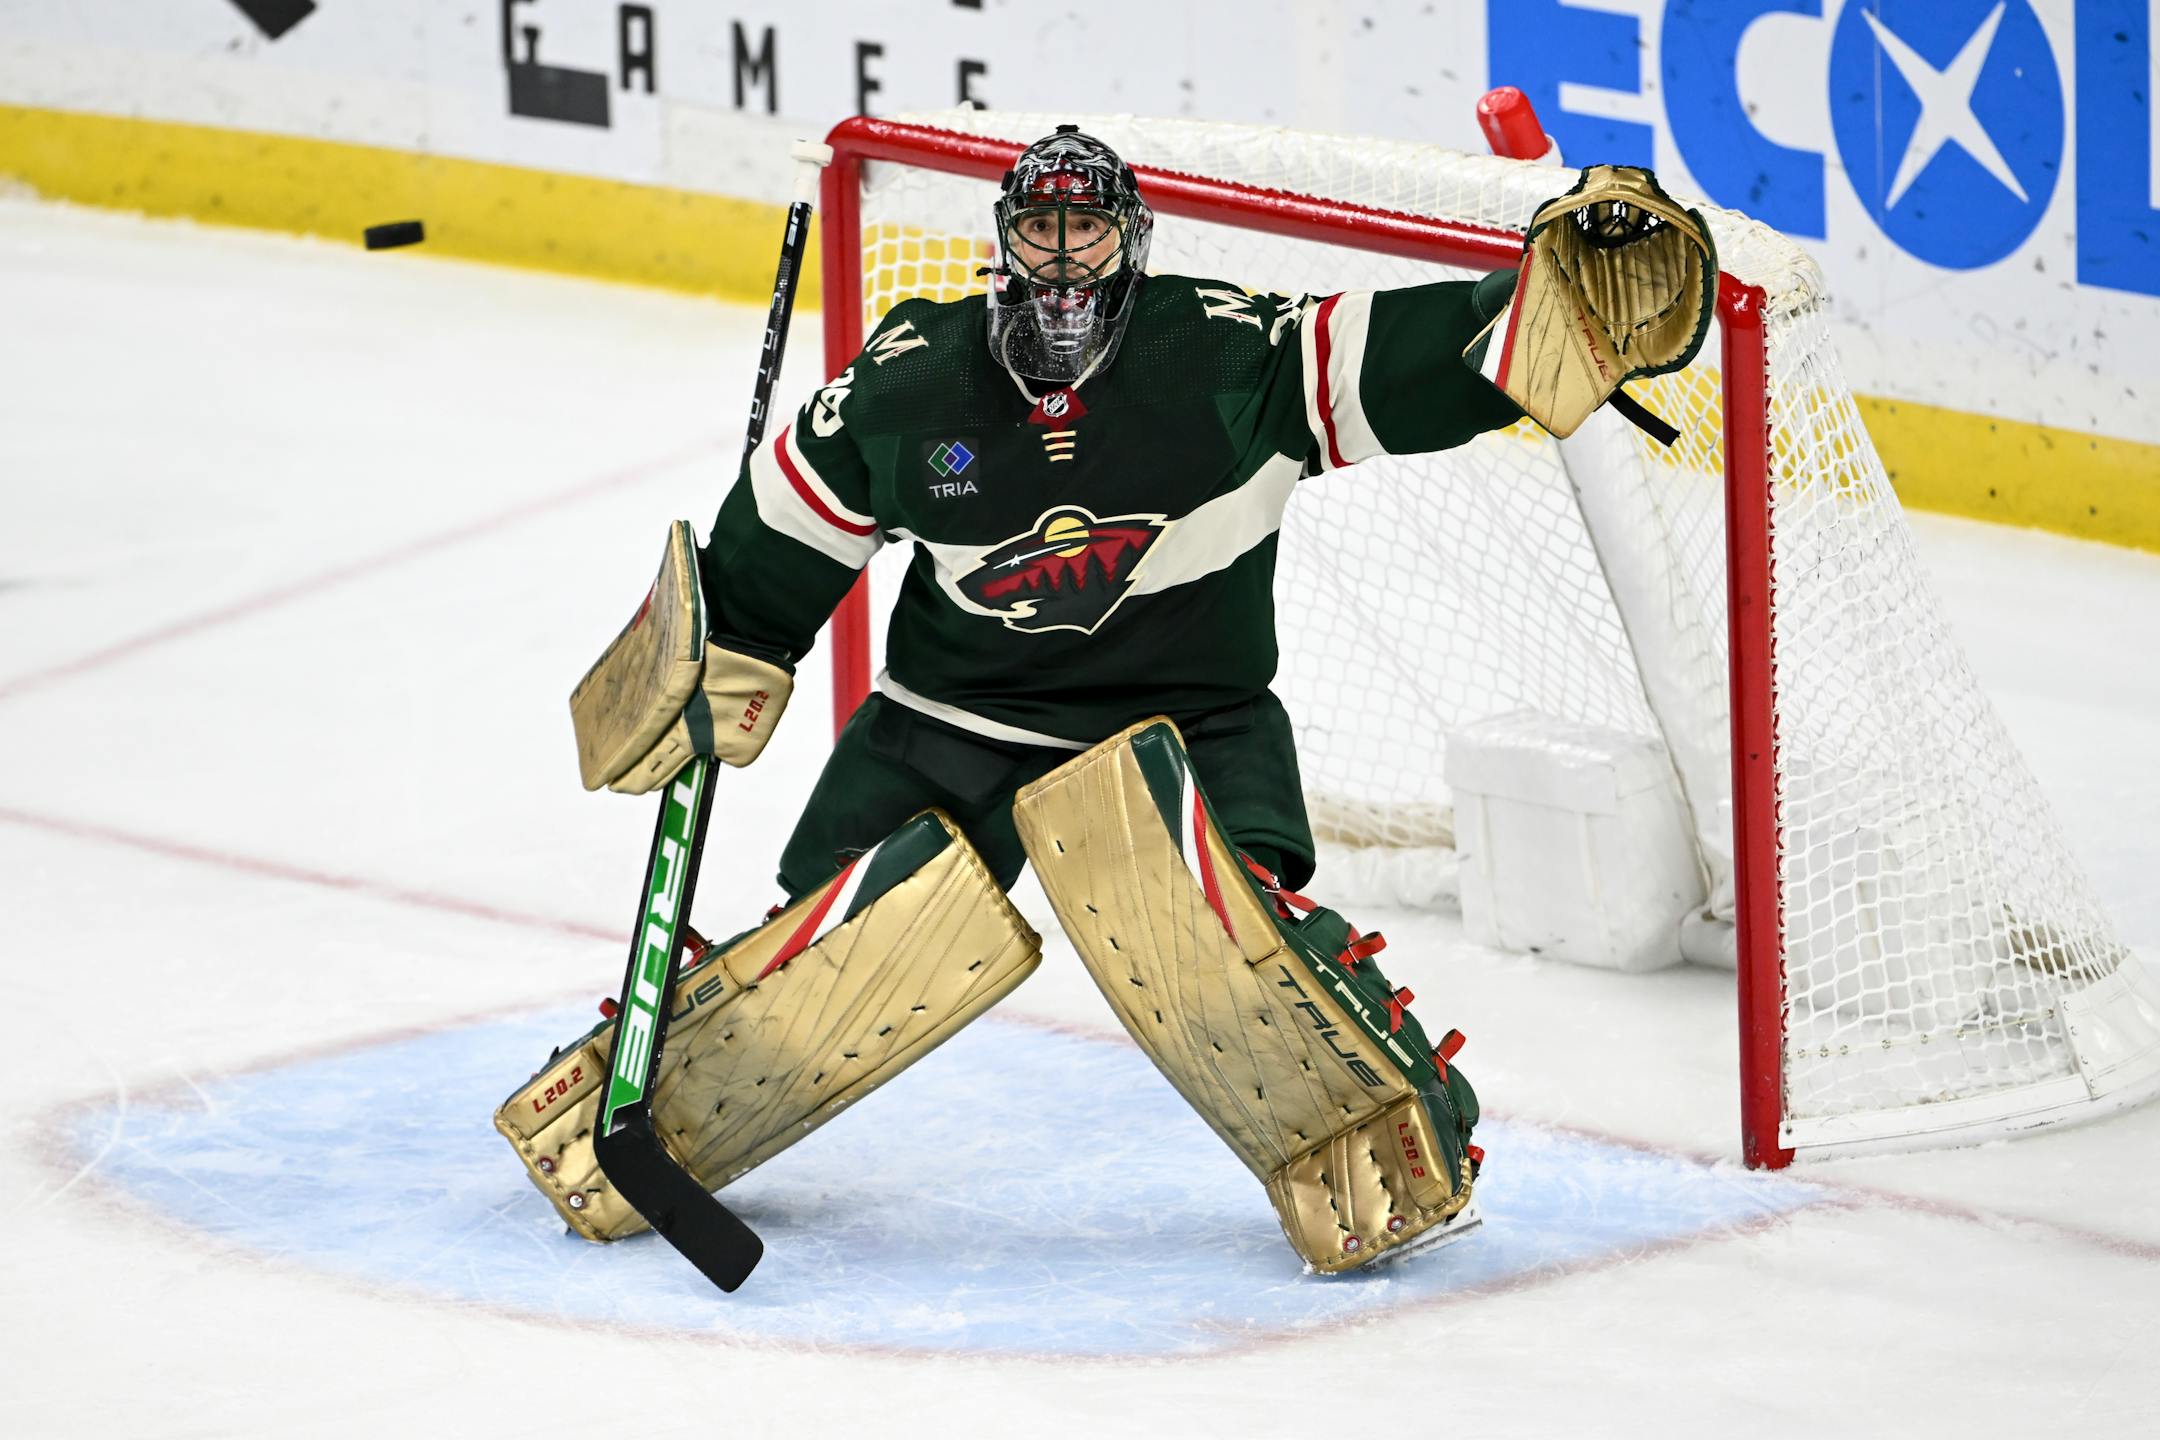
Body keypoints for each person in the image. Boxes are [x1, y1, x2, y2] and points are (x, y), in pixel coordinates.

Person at [498, 126, 1714, 1274]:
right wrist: (724, 647)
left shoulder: (1232, 353)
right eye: (1042, 231)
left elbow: (1414, 357)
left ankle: (1374, 1128)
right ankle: (648, 1101)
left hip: (1188, 727)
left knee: (1237, 943)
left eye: (1088, 232)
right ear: (1002, 238)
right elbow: (779, 539)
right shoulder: (914, 380)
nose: (1064, 257)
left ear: (1132, 241)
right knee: (828, 943)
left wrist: (1552, 317)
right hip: (950, 726)